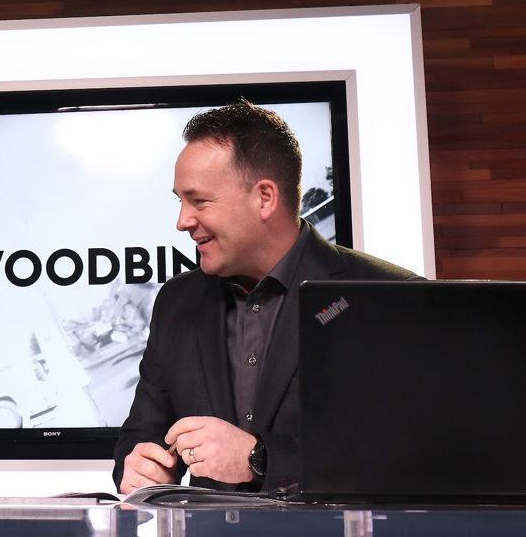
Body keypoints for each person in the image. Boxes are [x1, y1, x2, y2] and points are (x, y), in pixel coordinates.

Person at [113, 101, 419, 494]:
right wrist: (137, 466)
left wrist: (260, 458)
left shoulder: (388, 296)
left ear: (265, 198)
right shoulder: (176, 302)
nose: (182, 221)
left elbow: (408, 456)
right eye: (180, 201)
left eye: (199, 201)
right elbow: (140, 434)